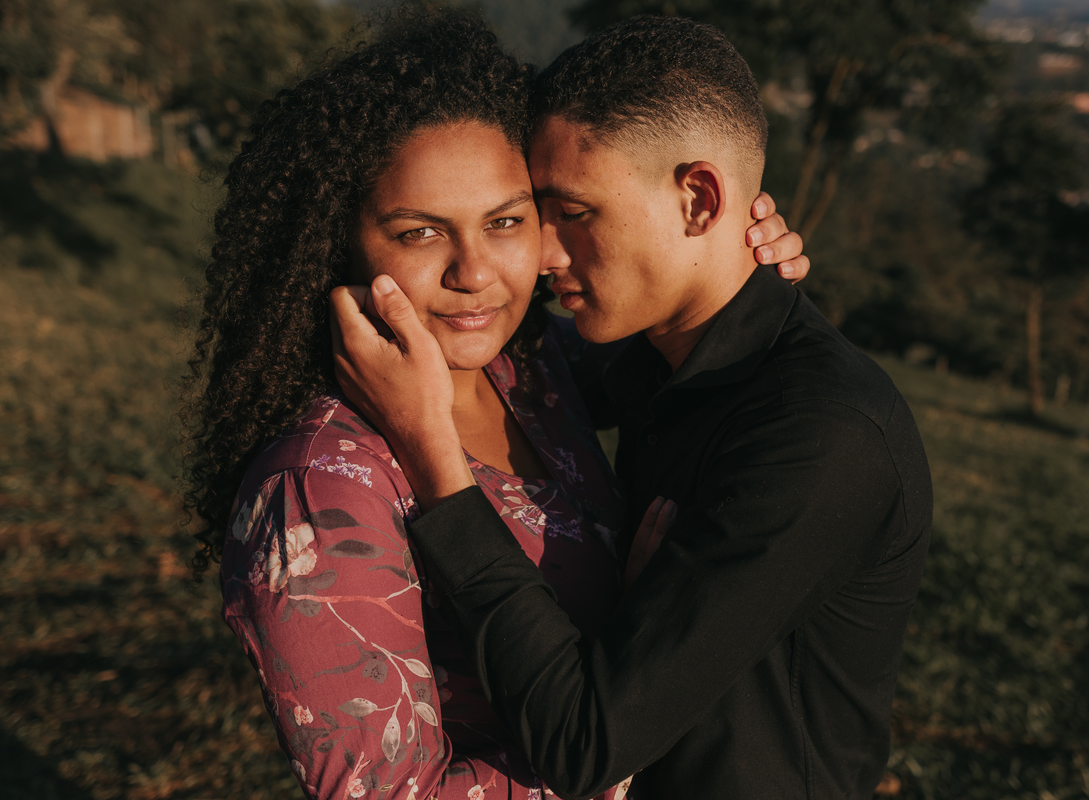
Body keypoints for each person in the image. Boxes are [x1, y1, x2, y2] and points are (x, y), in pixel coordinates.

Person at [183, 11, 805, 800]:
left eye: (506, 221)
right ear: (340, 243)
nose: (474, 272)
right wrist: (626, 731)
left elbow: (665, 325)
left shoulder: (532, 373)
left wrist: (736, 248)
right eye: (419, 234)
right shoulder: (321, 489)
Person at [331, 15, 933, 800]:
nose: (545, 255)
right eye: (537, 216)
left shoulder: (819, 437)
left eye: (575, 213)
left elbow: (586, 744)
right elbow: (525, 373)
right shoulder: (657, 355)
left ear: (698, 199)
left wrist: (433, 456)